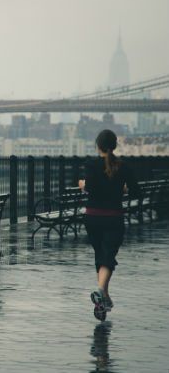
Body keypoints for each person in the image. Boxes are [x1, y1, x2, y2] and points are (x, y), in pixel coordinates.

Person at [78, 129, 140, 321]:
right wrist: (123, 188)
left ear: (98, 145)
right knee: (108, 256)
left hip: (93, 217)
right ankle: (101, 292)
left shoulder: (90, 164)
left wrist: (82, 185)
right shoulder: (124, 167)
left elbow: (91, 187)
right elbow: (136, 192)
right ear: (114, 145)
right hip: (113, 217)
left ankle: (103, 299)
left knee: (101, 256)